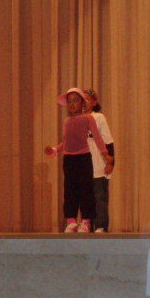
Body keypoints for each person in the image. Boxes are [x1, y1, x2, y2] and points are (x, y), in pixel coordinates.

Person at [45, 87, 113, 233]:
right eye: (70, 101)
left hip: (84, 158)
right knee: (70, 191)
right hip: (69, 159)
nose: (72, 104)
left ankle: (86, 221)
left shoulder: (88, 118)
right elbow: (65, 142)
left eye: (76, 100)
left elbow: (97, 137)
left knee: (86, 190)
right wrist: (54, 150)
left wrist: (105, 154)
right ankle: (71, 221)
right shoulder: (67, 121)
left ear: (82, 103)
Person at [83, 89, 115, 233]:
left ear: (94, 102)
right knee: (86, 198)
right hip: (83, 165)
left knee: (100, 197)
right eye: (82, 99)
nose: (84, 102)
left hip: (98, 165)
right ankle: (87, 224)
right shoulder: (77, 119)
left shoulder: (99, 117)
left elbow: (108, 140)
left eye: (88, 99)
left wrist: (111, 162)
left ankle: (101, 226)